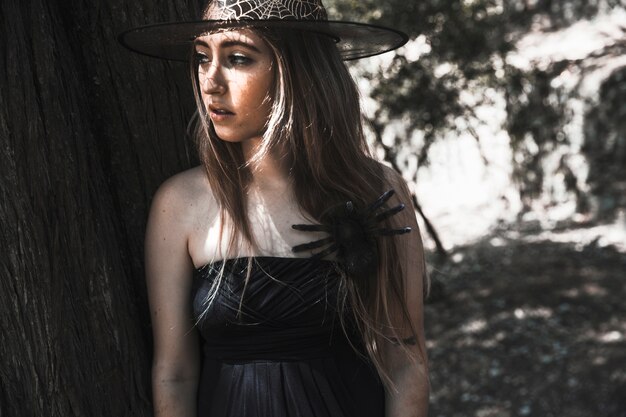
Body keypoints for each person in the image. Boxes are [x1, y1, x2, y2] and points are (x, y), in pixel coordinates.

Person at [119, 0, 429, 416]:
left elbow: (405, 363)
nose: (210, 82)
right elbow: (173, 374)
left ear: (298, 71)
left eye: (238, 58)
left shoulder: (376, 190)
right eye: (201, 58)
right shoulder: (180, 204)